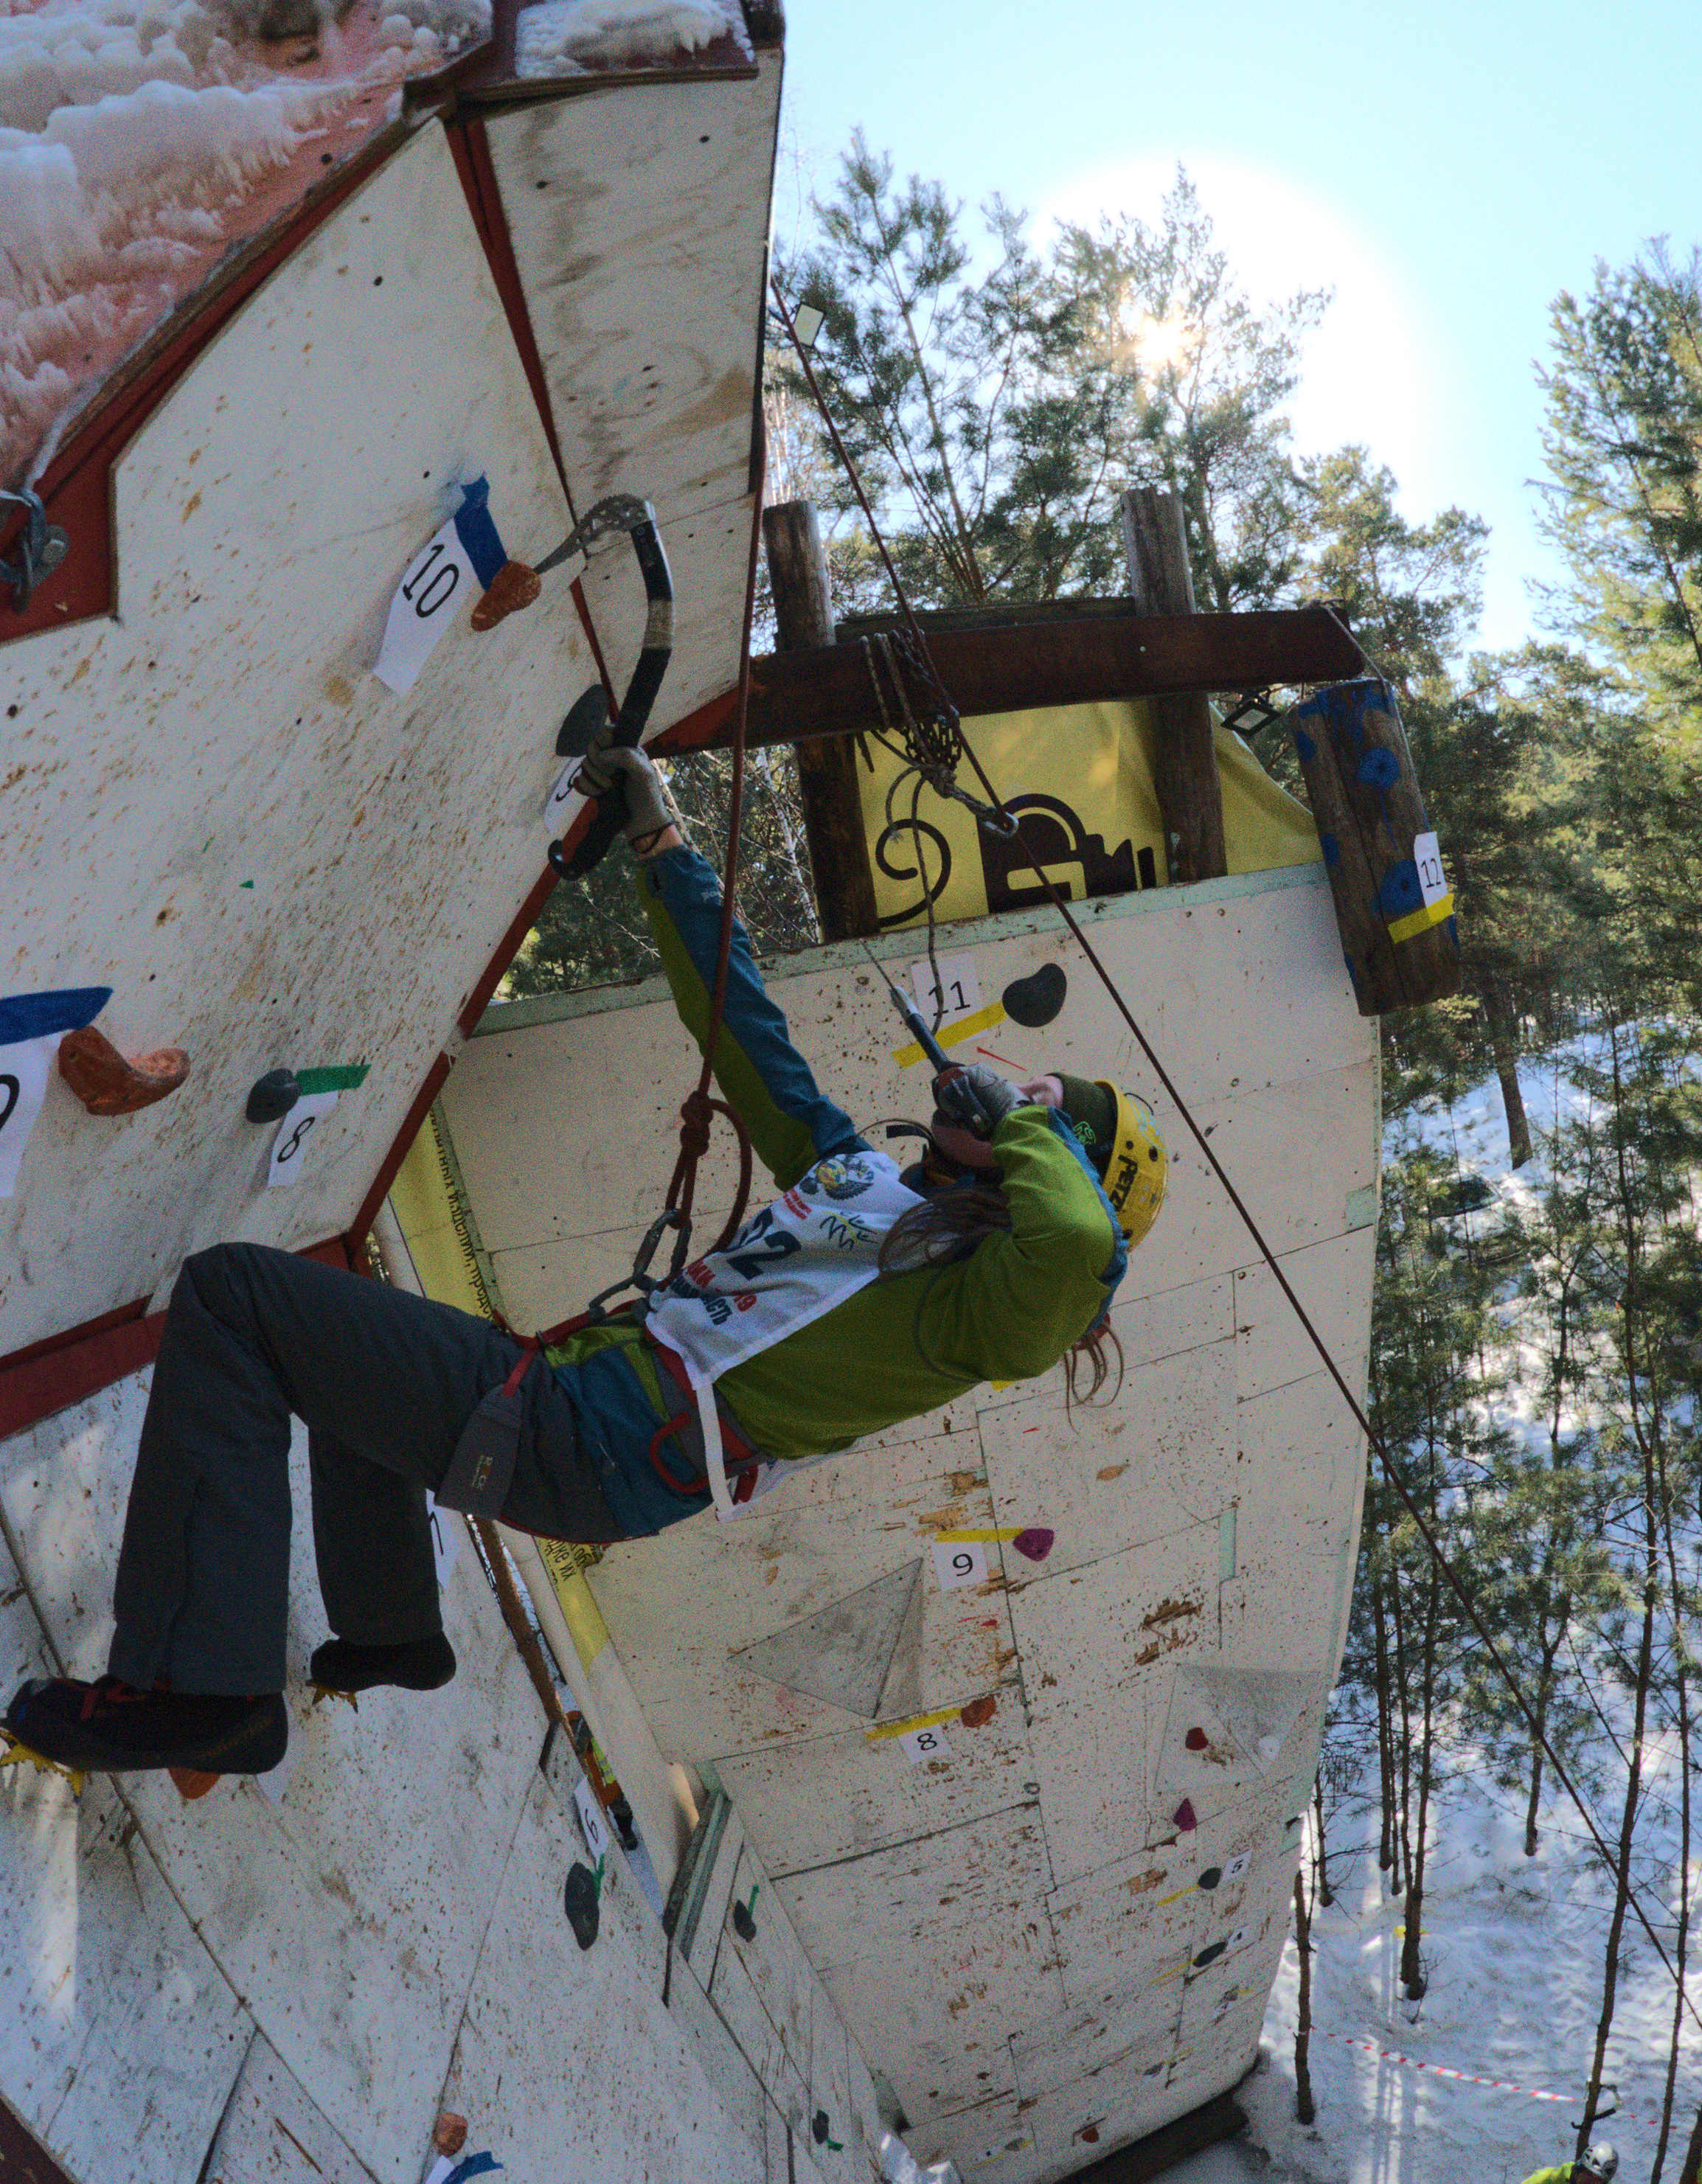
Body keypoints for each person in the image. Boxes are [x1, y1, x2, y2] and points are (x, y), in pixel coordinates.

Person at [6, 749, 1166, 1781]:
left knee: (235, 1296)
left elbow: (1077, 1247)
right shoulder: (865, 1183)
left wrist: (1030, 1125)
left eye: (1048, 1112)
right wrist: (665, 850)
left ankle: (204, 1693)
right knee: (349, 1346)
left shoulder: (980, 1316)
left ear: (1036, 1176)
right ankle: (394, 1629)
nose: (1016, 1088)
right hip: (581, 1423)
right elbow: (744, 1028)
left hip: (583, 1438)